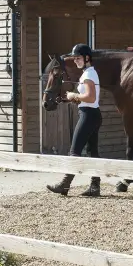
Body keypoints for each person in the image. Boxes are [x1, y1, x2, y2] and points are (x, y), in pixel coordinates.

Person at [47, 43, 102, 197]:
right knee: (93, 152)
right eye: (75, 58)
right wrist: (70, 98)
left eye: (78, 58)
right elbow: (87, 99)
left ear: (87, 58)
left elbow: (91, 98)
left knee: (75, 150)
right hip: (92, 114)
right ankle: (95, 187)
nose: (76, 61)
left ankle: (65, 184)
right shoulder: (89, 73)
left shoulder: (89, 74)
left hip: (88, 115)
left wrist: (74, 96)